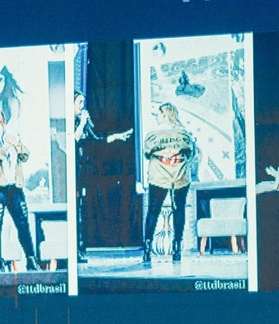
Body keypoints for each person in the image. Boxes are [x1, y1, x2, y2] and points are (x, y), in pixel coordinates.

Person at [73, 91, 132, 262]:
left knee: (82, 211)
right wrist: (82, 123)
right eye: (79, 102)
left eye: (83, 102)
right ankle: (75, 249)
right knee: (76, 211)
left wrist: (116, 137)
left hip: (85, 172)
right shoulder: (70, 124)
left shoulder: (81, 123)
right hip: (74, 173)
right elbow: (73, 142)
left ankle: (80, 248)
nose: (82, 106)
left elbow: (96, 141)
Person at [0, 107, 40, 271]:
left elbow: (25, 155)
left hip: (13, 186)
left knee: (22, 222)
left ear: (0, 118)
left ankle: (31, 259)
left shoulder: (11, 134)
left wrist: (17, 144)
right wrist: (6, 146)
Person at [141, 102, 197, 263]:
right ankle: (176, 249)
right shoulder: (184, 133)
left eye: (158, 114)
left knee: (153, 211)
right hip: (180, 175)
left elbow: (146, 153)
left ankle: (147, 249)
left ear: (164, 114)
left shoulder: (153, 134)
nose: (157, 117)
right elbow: (191, 153)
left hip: (158, 175)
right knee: (179, 209)